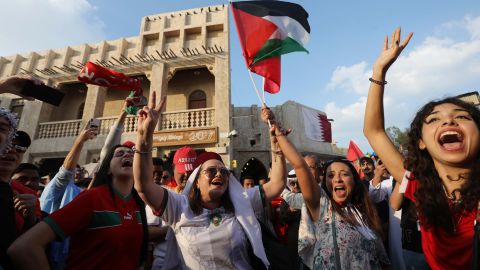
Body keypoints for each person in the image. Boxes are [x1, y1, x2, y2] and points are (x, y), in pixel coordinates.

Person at [364, 27, 480, 269]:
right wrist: (379, 71)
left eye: (462, 116)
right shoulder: (416, 183)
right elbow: (373, 131)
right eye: (434, 119)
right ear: (421, 142)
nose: (449, 121)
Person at [132, 92, 287, 269]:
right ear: (196, 180)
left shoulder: (241, 202)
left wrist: (276, 145)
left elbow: (277, 183)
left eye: (223, 171)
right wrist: (144, 138)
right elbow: (143, 186)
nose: (219, 174)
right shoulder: (178, 207)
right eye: (211, 171)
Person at [8, 142, 149, 269]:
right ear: (108, 169)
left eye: (132, 154)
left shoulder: (138, 203)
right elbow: (24, 247)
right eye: (119, 153)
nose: (127, 155)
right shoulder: (92, 198)